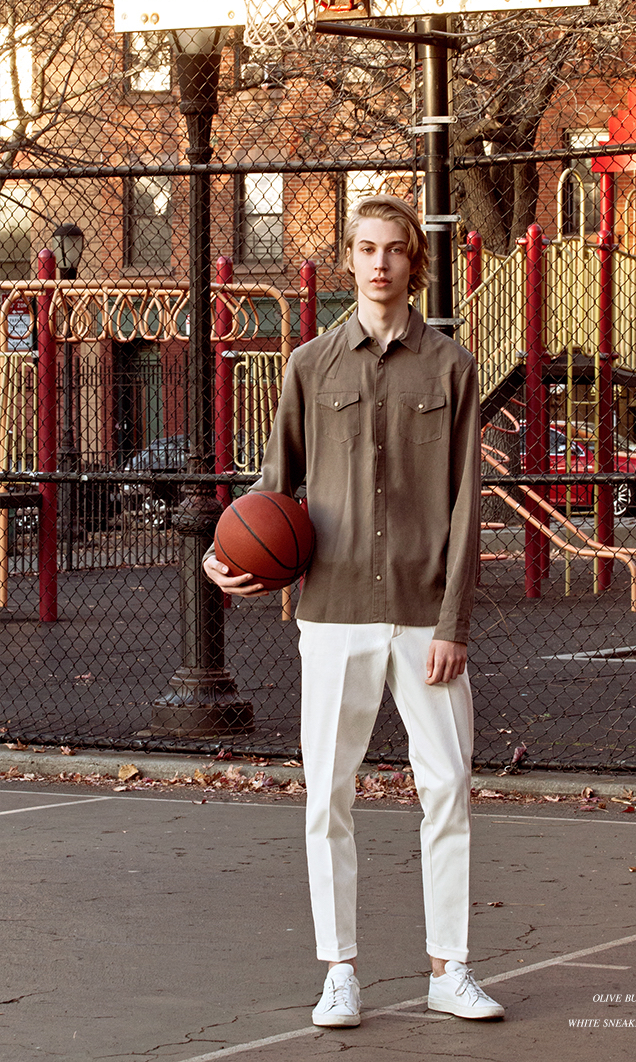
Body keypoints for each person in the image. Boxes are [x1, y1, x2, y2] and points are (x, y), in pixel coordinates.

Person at [203, 194, 504, 1026]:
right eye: (365, 248)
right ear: (349, 259)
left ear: (414, 261)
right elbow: (274, 492)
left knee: (447, 788)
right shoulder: (309, 365)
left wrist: (453, 624)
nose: (379, 263)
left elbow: (464, 505)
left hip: (422, 615)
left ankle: (450, 969)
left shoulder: (451, 365)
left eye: (394, 249)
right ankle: (340, 969)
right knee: (327, 794)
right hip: (332, 614)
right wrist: (225, 553)